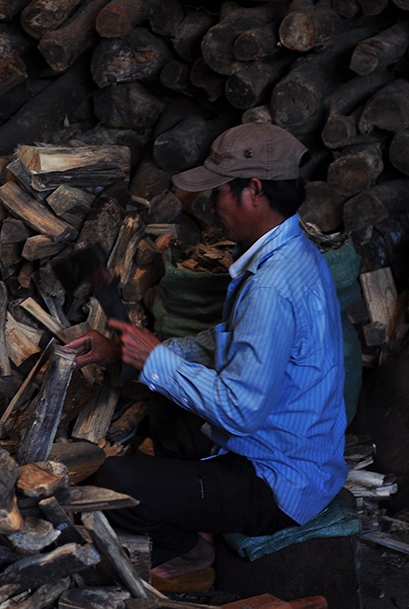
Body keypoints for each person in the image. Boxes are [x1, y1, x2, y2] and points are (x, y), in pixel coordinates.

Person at [68, 122, 348, 592]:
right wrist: (126, 353)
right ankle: (194, 505)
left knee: (117, 480)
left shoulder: (273, 286)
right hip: (277, 451)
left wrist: (156, 358)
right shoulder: (286, 254)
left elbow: (242, 409)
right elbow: (224, 342)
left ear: (253, 190)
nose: (211, 207)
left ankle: (188, 551)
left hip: (278, 483)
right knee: (164, 392)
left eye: (219, 192)